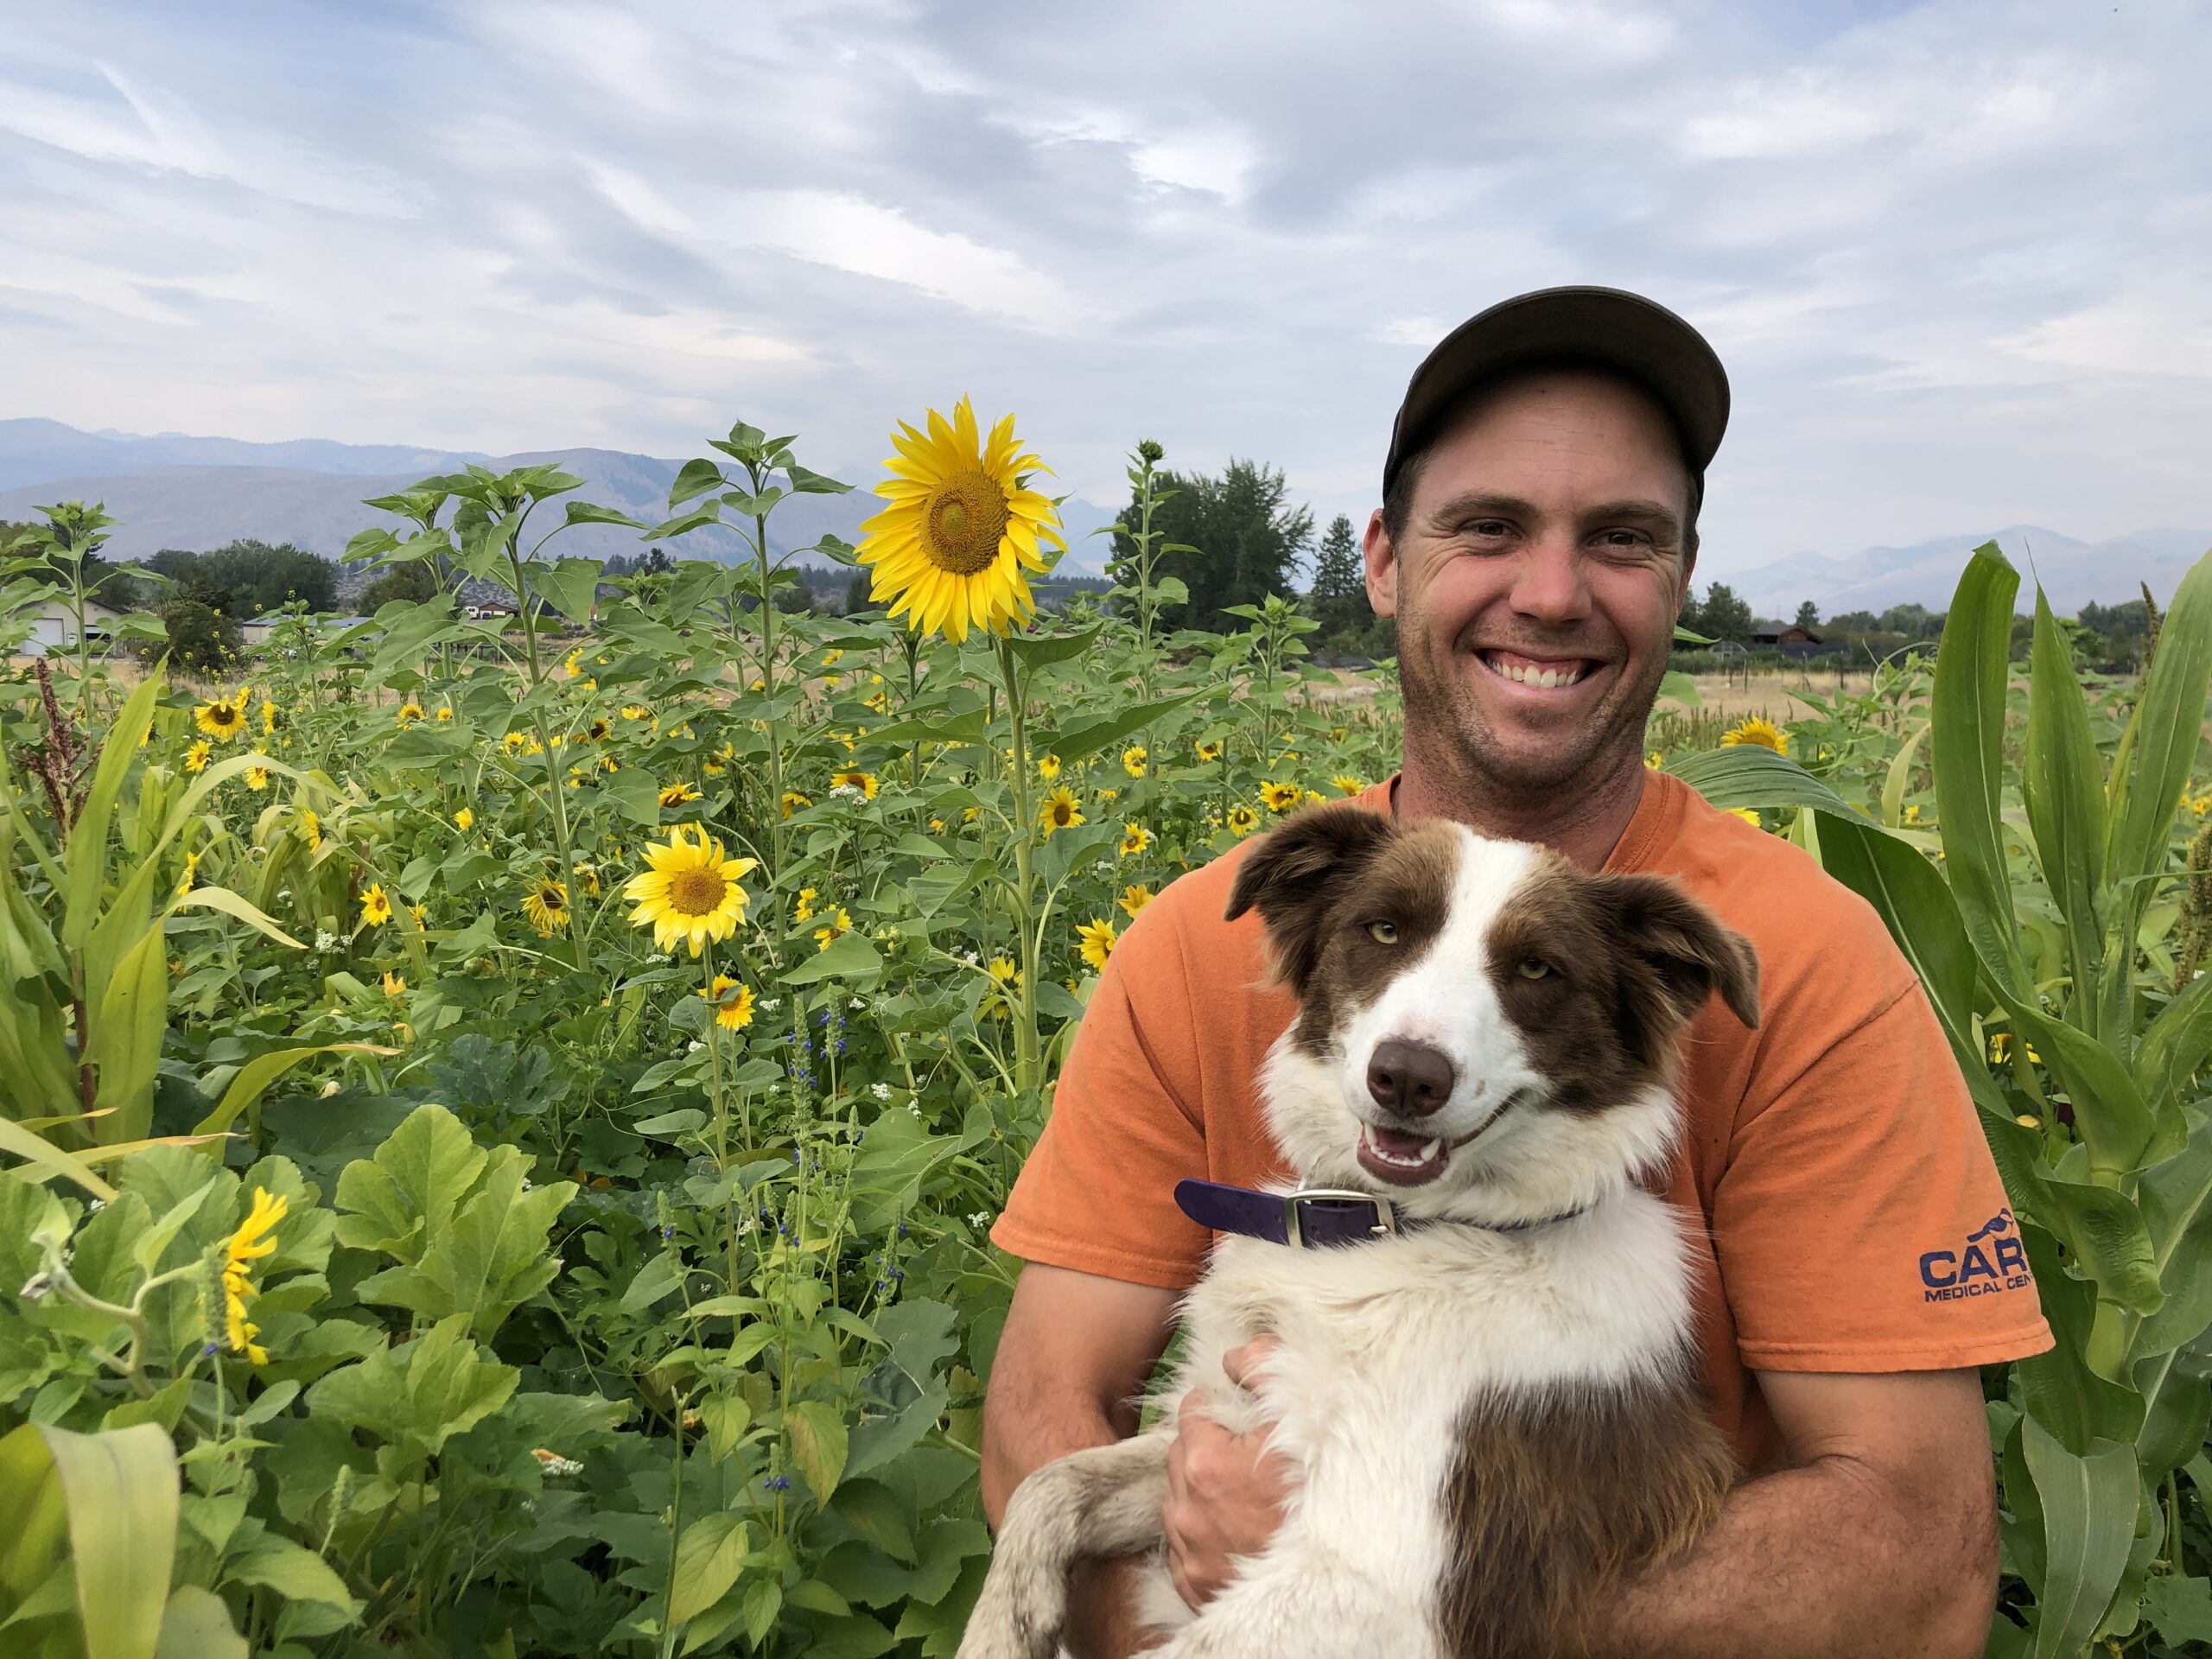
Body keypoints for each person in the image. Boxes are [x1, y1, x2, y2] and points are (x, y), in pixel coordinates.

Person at [981, 287, 2051, 1658]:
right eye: (1489, 526)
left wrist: (1382, 1578)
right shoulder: (1206, 937)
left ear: (1680, 576)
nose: (1551, 594)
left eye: (1620, 538)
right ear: (1382, 560)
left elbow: (1922, 1566)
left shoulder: (1812, 970)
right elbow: (1039, 1411)